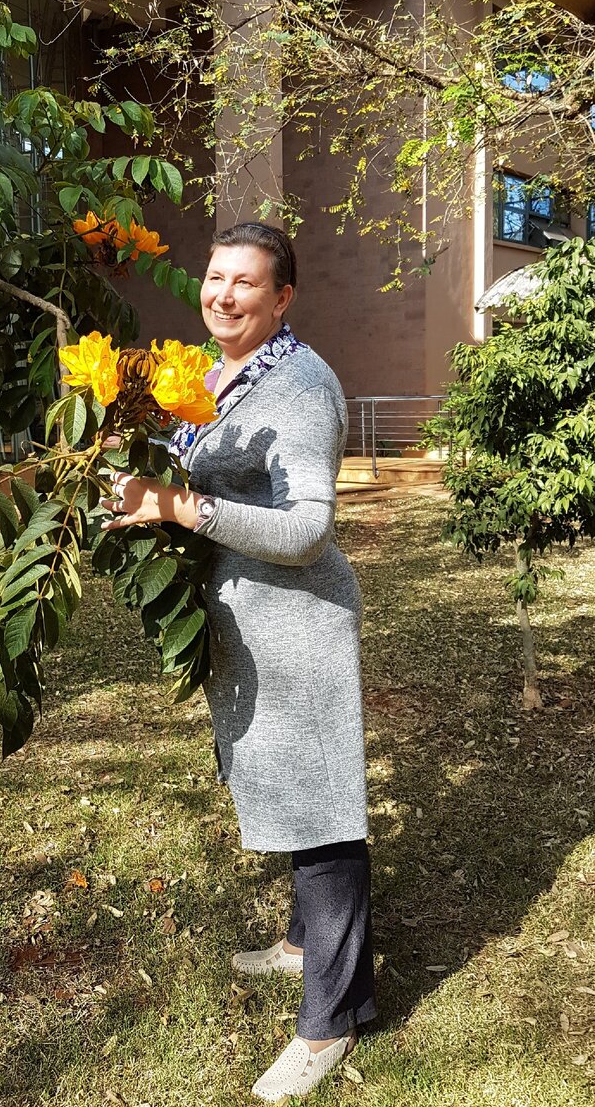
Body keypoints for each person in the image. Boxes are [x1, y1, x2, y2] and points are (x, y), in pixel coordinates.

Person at [101, 221, 375, 1101]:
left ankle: (329, 1023)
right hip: (248, 622)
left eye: (246, 284)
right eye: (215, 277)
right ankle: (305, 947)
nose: (223, 295)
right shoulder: (219, 372)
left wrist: (180, 509)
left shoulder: (299, 387)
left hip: (298, 623)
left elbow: (304, 529)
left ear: (282, 298)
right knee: (284, 789)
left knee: (322, 813)